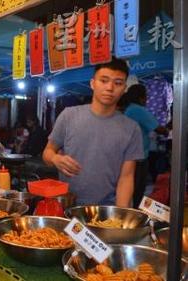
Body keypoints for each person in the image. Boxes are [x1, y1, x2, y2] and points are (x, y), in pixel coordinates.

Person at [42, 58, 143, 207]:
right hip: (68, 204)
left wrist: (121, 216)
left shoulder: (131, 128)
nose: (110, 87)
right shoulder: (69, 115)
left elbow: (126, 177)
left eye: (118, 83)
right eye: (104, 80)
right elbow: (47, 152)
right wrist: (55, 159)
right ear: (92, 83)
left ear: (124, 88)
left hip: (107, 209)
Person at [121, 84, 168, 207]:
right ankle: (133, 216)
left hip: (131, 155)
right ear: (141, 97)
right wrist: (171, 127)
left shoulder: (130, 109)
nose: (147, 100)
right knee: (136, 191)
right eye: (146, 97)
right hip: (137, 158)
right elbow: (159, 129)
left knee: (133, 190)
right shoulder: (137, 110)